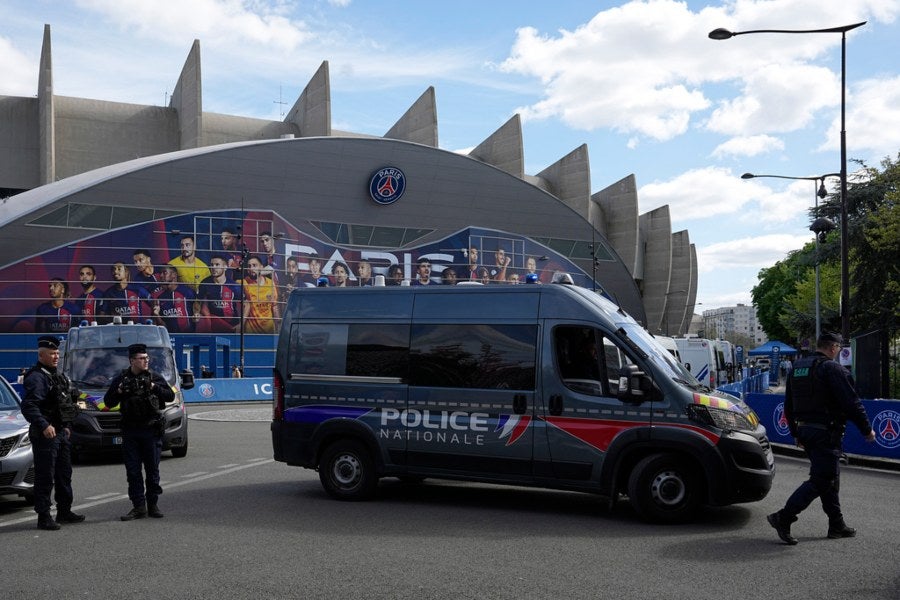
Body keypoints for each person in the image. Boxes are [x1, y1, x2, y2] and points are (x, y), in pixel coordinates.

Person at [767, 332, 876, 545]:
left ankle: (836, 524)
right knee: (822, 479)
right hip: (825, 432)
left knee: (829, 478)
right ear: (833, 347)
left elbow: (788, 405)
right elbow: (851, 403)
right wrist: (867, 429)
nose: (838, 351)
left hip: (806, 431)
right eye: (838, 347)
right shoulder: (832, 369)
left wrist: (795, 433)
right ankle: (784, 517)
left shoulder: (798, 367)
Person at [20, 336, 85, 530]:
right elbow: (30, 406)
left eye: (57, 353)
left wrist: (65, 425)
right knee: (45, 476)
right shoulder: (37, 377)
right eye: (52, 353)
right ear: (41, 355)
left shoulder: (57, 375)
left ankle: (64, 511)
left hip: (60, 432)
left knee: (64, 474)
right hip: (45, 434)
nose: (56, 356)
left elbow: (62, 402)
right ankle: (44, 516)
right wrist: (43, 425)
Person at [104, 343, 175, 521]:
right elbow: (108, 402)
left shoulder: (154, 378)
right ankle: (138, 506)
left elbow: (170, 396)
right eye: (142, 358)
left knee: (152, 470)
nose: (145, 361)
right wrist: (119, 391)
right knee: (133, 471)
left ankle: (153, 504)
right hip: (130, 431)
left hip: (150, 430)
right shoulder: (121, 379)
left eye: (147, 358)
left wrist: (154, 387)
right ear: (132, 361)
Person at [196, 254, 241, 333]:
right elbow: (198, 303)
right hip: (213, 326)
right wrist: (197, 313)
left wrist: (241, 324)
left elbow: (246, 304)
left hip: (232, 327)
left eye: (217, 265)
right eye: (212, 265)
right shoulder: (204, 284)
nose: (213, 268)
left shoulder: (234, 286)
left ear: (225, 267)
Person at [241, 255, 280, 333]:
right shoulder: (245, 283)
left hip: (269, 331)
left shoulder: (270, 283)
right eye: (249, 266)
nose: (251, 268)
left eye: (254, 265)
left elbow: (274, 307)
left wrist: (278, 329)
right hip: (251, 332)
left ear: (261, 267)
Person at [151, 265, 196, 333]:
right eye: (160, 273)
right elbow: (162, 326)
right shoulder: (159, 298)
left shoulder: (187, 292)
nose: (161, 275)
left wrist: (197, 312)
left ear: (174, 275)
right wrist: (157, 315)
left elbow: (198, 307)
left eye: (164, 272)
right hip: (169, 338)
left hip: (188, 337)